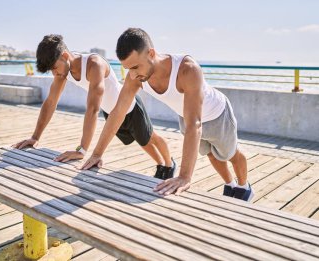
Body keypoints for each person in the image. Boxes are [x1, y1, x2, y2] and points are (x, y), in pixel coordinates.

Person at [81, 28, 254, 201]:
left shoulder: (187, 69)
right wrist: (97, 154)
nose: (132, 74)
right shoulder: (136, 77)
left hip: (216, 114)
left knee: (230, 154)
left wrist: (185, 176)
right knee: (211, 154)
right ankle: (231, 185)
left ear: (151, 53)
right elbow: (118, 112)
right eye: (127, 70)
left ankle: (244, 187)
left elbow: (195, 123)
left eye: (135, 67)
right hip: (187, 115)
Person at [12, 34, 176, 180]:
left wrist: (82, 150)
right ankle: (160, 165)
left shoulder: (94, 64)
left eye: (54, 68)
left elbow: (92, 109)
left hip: (129, 108)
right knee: (143, 142)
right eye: (51, 71)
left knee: (150, 138)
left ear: (65, 56)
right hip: (111, 113)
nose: (55, 74)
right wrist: (35, 137)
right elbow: (50, 102)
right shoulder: (63, 71)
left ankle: (169, 165)